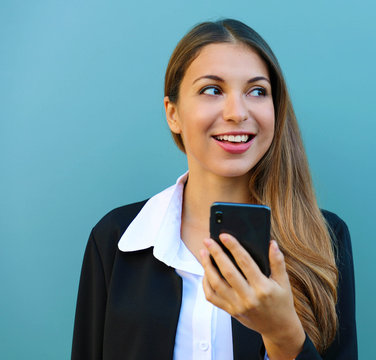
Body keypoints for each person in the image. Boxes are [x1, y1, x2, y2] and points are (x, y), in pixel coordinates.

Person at [72, 18, 357, 360]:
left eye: (257, 91)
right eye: (212, 90)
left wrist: (283, 335)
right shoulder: (115, 239)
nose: (237, 113)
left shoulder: (325, 237)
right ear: (173, 113)